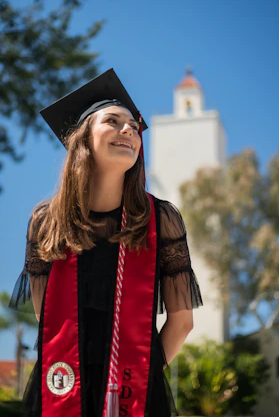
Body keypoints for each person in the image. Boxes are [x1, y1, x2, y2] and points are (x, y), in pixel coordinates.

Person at [10, 69, 203, 417]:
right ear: (83, 139)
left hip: (130, 387)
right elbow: (47, 319)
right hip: (64, 380)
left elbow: (182, 323)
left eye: (133, 125)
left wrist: (134, 375)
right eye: (113, 121)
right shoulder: (46, 221)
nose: (128, 129)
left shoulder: (159, 218)